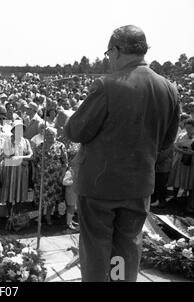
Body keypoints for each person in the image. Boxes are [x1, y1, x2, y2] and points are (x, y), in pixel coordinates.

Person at [63, 25, 180, 282]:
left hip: (99, 186)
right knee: (126, 245)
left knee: (96, 246)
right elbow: (166, 142)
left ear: (116, 50)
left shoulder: (107, 86)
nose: (108, 60)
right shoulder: (168, 88)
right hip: (138, 185)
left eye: (108, 53)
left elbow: (75, 131)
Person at [33, 126, 68, 225]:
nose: (50, 136)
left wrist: (61, 176)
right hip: (42, 178)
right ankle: (39, 217)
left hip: (54, 179)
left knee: (52, 199)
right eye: (47, 134)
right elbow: (35, 162)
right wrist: (35, 174)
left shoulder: (61, 146)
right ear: (44, 136)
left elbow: (65, 163)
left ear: (55, 136)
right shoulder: (40, 146)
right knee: (41, 198)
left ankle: (48, 216)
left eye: (52, 134)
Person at [0, 120, 33, 207]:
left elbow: (31, 155)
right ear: (13, 130)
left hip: (22, 171)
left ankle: (16, 214)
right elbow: (7, 157)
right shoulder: (8, 141)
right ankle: (9, 214)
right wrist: (22, 159)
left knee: (20, 192)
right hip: (10, 171)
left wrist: (20, 158)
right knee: (9, 191)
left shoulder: (26, 141)